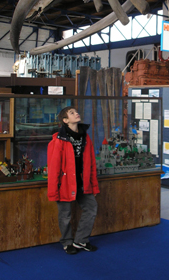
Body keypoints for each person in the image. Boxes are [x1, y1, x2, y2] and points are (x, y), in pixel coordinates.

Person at [47, 106, 100, 255]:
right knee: (65, 215)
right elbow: (54, 167)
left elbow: (91, 163)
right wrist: (53, 191)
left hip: (83, 183)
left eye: (76, 111)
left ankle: (81, 240)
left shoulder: (86, 137)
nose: (76, 113)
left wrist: (94, 186)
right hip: (64, 184)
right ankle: (67, 242)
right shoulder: (58, 140)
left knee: (91, 208)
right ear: (65, 120)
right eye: (72, 113)